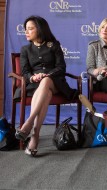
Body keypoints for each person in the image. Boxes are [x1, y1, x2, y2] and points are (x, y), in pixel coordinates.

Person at [14, 15, 79, 156]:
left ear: (40, 29)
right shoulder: (25, 49)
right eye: (26, 29)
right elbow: (25, 72)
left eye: (30, 29)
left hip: (55, 82)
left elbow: (61, 67)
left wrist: (47, 75)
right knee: (46, 93)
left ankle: (28, 123)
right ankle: (35, 135)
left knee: (46, 81)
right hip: (34, 85)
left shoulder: (54, 45)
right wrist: (33, 77)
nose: (26, 32)